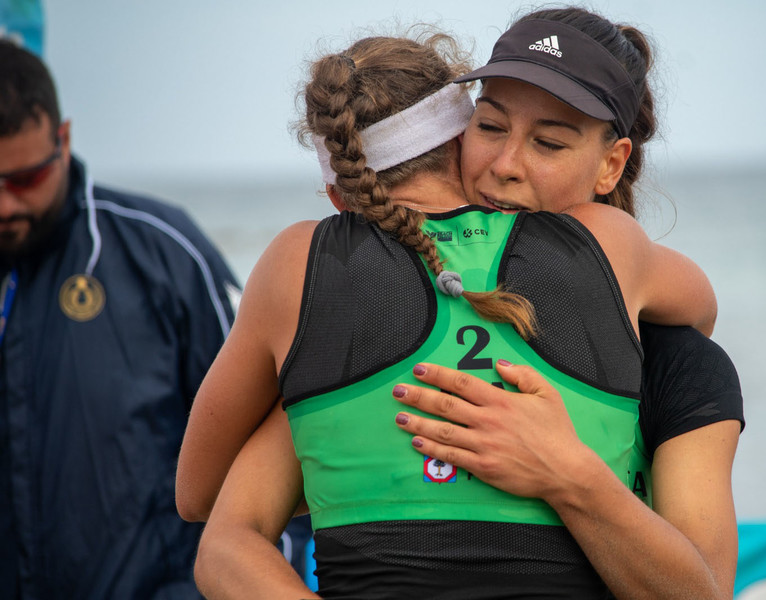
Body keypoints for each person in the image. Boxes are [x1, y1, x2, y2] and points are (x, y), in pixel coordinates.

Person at [182, 16, 726, 599]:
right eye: (490, 126)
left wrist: (348, 431)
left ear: (341, 196)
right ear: (456, 139)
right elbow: (700, 305)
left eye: (548, 142)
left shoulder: (303, 273)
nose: (506, 165)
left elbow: (202, 503)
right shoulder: (613, 248)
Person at [0, 39, 241, 598]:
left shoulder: (164, 250)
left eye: (25, 180)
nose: (5, 206)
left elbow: (268, 434)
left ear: (62, 140)